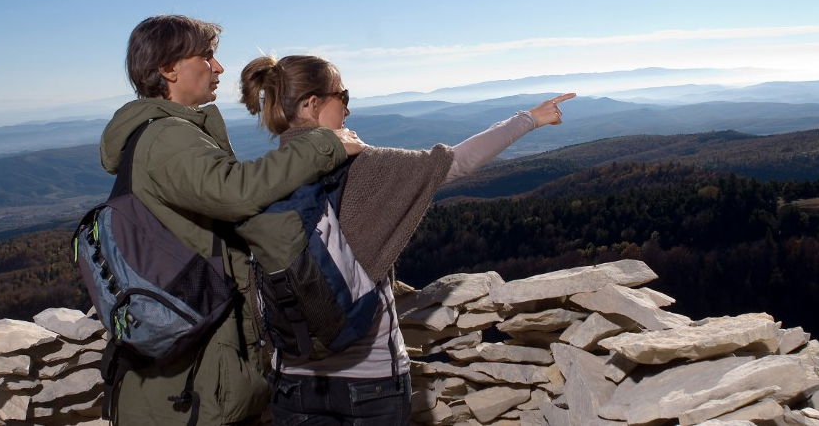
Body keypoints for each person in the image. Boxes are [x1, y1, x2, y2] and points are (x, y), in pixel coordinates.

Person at [238, 54, 574, 425]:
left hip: (293, 383)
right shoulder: (366, 166)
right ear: (311, 104)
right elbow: (455, 162)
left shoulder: (255, 181)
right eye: (343, 95)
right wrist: (528, 119)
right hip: (370, 380)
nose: (348, 109)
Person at [99, 16, 366, 425]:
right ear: (168, 69)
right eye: (207, 57)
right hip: (189, 391)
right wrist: (324, 144)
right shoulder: (167, 137)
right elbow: (237, 192)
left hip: (186, 374)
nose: (219, 67)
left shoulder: (166, 133)